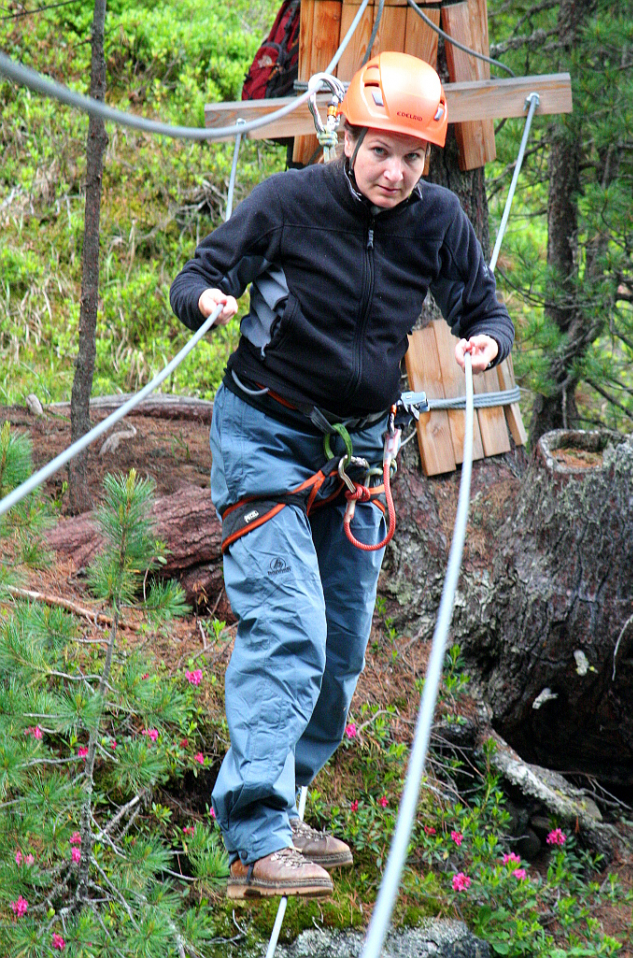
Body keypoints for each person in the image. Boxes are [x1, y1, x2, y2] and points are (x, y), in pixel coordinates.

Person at [170, 51, 514, 900]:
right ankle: (252, 834)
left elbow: (484, 305)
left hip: (359, 455)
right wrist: (208, 302)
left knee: (343, 645)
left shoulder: (437, 221)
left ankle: (286, 806)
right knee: (289, 626)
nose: (395, 172)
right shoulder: (291, 204)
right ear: (346, 137)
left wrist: (486, 342)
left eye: (412, 156)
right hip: (264, 439)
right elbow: (200, 273)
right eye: (379, 151)